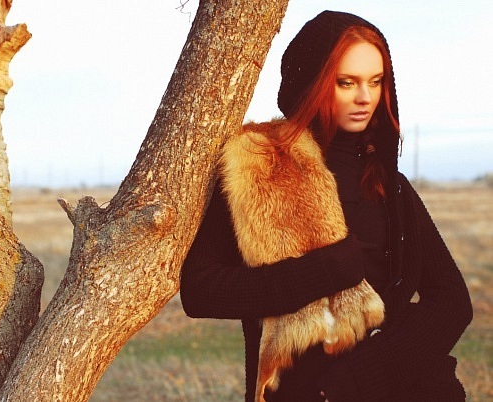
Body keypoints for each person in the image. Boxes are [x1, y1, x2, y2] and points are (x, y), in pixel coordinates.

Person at [180, 10, 473, 402]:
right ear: (313, 83)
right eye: (346, 82)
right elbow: (200, 291)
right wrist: (319, 273)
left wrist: (363, 377)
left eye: (376, 81)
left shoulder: (390, 187)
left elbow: (453, 301)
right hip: (302, 391)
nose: (365, 97)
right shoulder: (258, 167)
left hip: (406, 388)